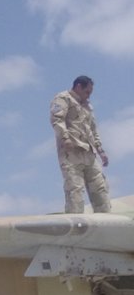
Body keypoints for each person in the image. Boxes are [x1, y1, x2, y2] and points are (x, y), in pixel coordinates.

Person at [51, 75, 111, 214]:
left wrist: (101, 151)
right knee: (75, 190)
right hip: (71, 153)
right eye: (87, 92)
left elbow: (93, 129)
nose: (88, 95)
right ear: (78, 86)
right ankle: (76, 229)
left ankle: (105, 224)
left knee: (100, 188)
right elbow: (57, 119)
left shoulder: (87, 106)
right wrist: (65, 139)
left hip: (89, 153)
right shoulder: (63, 98)